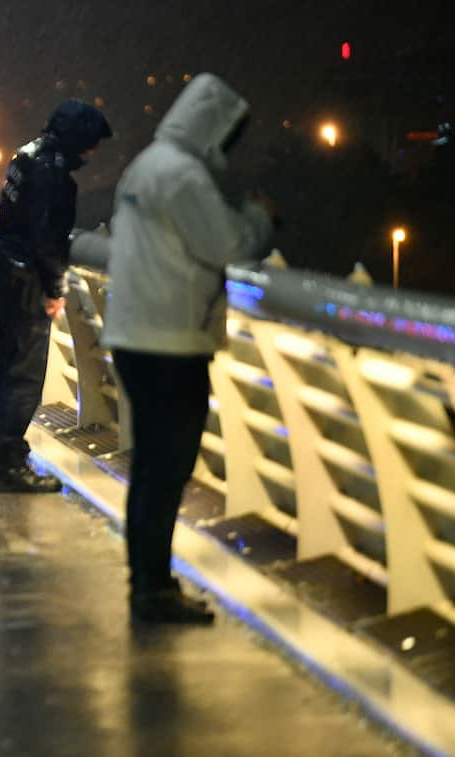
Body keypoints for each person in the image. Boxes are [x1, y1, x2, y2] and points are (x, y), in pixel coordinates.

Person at [101, 73, 272, 624]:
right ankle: (152, 589)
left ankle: (147, 582)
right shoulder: (183, 176)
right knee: (167, 467)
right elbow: (228, 244)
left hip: (134, 334)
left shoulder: (146, 166)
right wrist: (260, 219)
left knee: (152, 467)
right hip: (170, 341)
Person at [0, 99, 112, 492]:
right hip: (26, 281)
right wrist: (55, 288)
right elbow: (46, 237)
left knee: (10, 369)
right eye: (89, 144)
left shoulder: (25, 156)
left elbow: (9, 218)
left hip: (3, 270)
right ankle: (9, 466)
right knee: (24, 375)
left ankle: (7, 458)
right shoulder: (52, 170)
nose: (90, 154)